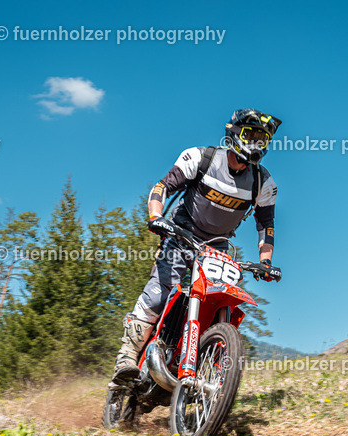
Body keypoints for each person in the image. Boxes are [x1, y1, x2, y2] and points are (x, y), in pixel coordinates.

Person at [113, 108, 282, 382]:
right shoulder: (200, 158)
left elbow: (266, 225)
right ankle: (127, 357)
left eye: (261, 139)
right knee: (159, 293)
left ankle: (203, 369)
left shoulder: (263, 182)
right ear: (234, 133)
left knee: (216, 304)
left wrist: (266, 262)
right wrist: (156, 217)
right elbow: (162, 187)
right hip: (180, 236)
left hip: (217, 250)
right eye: (249, 134)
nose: (254, 142)